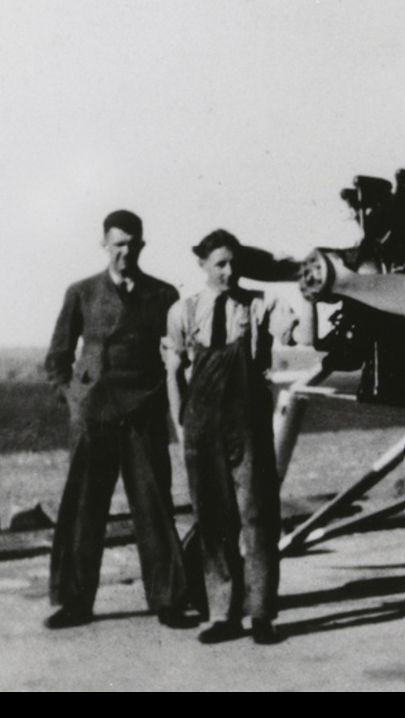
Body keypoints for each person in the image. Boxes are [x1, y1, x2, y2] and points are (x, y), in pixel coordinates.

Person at [43, 210, 196, 630]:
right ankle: (74, 602)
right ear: (104, 245)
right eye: (117, 244)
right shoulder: (82, 293)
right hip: (94, 416)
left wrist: (165, 400)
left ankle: (168, 600)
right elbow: (57, 356)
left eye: (132, 244)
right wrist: (73, 397)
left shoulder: (163, 295)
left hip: (142, 413)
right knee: (83, 509)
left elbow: (175, 357)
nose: (124, 252)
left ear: (142, 245)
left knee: (154, 506)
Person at [163, 229, 292, 645]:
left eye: (234, 263)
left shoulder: (260, 304)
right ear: (202, 265)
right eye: (220, 264)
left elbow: (299, 335)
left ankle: (262, 615)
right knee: (214, 524)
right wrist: (182, 426)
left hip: (247, 427)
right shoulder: (183, 312)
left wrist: (306, 282)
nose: (229, 271)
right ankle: (222, 615)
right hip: (202, 429)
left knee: (257, 519)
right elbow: (174, 372)